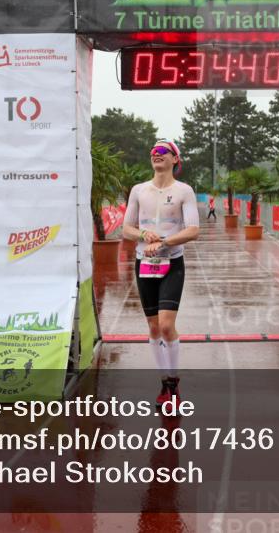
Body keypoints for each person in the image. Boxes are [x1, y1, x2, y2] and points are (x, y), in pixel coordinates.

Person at [122, 139, 200, 412]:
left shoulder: (184, 191)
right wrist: (143, 234)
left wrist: (165, 242)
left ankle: (173, 382)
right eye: (153, 152)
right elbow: (126, 229)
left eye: (163, 151)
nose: (156, 155)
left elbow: (192, 230)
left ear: (175, 159)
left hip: (171, 263)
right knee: (154, 328)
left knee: (167, 326)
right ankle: (164, 382)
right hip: (144, 263)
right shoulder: (139, 190)